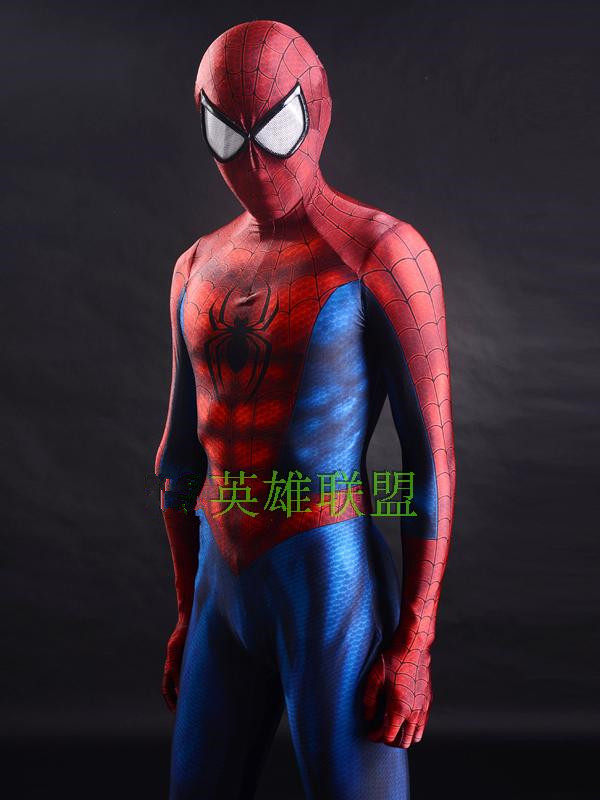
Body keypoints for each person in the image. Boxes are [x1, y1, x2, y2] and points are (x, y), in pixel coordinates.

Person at [155, 19, 456, 800]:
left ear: (316, 109)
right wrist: (187, 611)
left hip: (327, 577)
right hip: (221, 587)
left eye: (275, 129)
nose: (254, 164)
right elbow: (179, 462)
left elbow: (428, 464)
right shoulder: (196, 266)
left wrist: (415, 641)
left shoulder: (381, 254)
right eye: (227, 136)